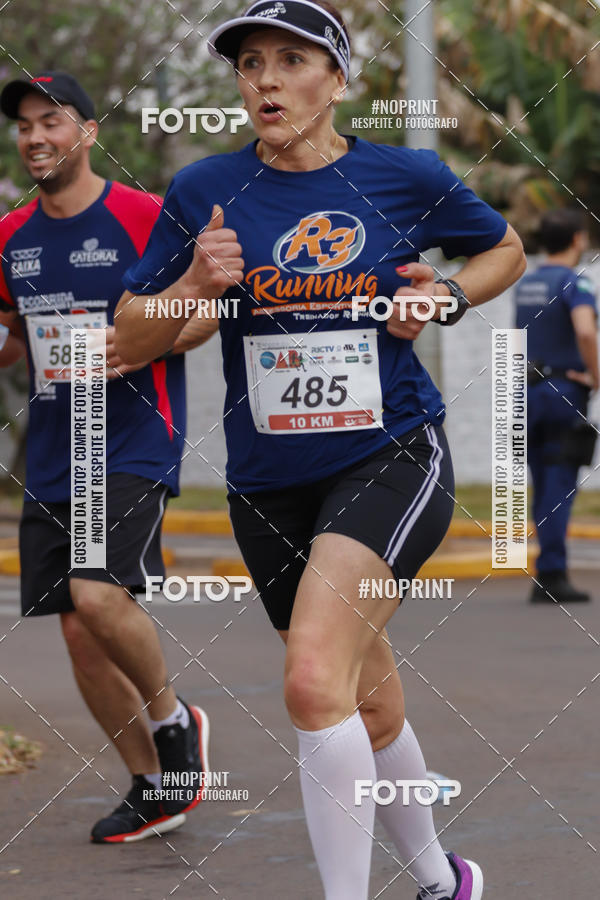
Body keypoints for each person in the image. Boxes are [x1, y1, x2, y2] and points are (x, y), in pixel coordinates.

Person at [114, 2, 526, 895]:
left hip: (390, 455)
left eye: (291, 60)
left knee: (309, 681)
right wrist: (194, 284)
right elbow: (135, 336)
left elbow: (506, 250)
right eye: (250, 63)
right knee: (362, 700)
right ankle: (444, 880)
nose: (266, 79)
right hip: (268, 484)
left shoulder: (405, 176)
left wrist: (446, 296)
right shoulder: (203, 191)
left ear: (338, 80)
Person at [0, 71, 215, 843]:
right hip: (55, 450)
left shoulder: (144, 215)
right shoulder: (10, 236)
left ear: (87, 133)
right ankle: (155, 786)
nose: (35, 137)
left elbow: (203, 309)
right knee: (77, 632)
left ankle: (173, 720)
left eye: (51, 121)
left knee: (96, 596)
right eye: (25, 125)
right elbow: (14, 335)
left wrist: (145, 342)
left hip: (130, 439)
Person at [515, 209, 598, 604]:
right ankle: (552, 574)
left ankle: (545, 572)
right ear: (578, 239)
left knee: (542, 482)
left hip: (527, 392)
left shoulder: (526, 284)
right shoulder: (574, 282)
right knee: (559, 483)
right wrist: (596, 376)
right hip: (562, 393)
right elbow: (585, 331)